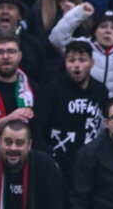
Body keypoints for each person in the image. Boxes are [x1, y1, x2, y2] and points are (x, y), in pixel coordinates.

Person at [36, 40, 106, 182]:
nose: (76, 65)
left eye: (82, 60)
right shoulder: (51, 91)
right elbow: (36, 128)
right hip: (58, 164)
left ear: (92, 62)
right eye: (71, 60)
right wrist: (48, 159)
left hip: (90, 165)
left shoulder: (101, 91)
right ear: (65, 63)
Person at [49, 4, 113, 98]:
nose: (108, 31)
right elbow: (56, 39)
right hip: (81, 102)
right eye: (103, 26)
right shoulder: (82, 46)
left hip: (112, 108)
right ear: (95, 31)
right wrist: (78, 13)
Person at [0, 34, 42, 153]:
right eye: (0, 52)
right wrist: (11, 118)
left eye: (11, 51)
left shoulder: (33, 89)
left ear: (20, 56)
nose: (6, 56)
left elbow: (38, 132)